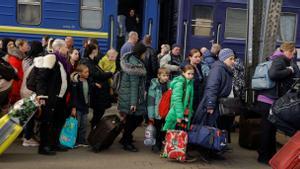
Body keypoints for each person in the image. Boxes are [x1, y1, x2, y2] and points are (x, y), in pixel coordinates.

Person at [256, 42, 300, 164]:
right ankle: (264, 157)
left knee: (269, 129)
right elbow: (273, 74)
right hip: (269, 100)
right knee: (268, 129)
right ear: (287, 51)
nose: (292, 56)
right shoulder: (280, 60)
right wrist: (290, 70)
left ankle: (269, 156)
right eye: (292, 53)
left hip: (265, 99)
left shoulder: (274, 58)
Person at [194, 48, 235, 161]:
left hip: (218, 103)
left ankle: (213, 151)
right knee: (209, 128)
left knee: (215, 128)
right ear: (224, 59)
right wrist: (210, 105)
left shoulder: (225, 69)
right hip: (213, 103)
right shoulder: (218, 69)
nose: (233, 61)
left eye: (233, 58)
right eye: (231, 59)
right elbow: (212, 87)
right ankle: (205, 152)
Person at [30, 39, 69, 155]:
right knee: (47, 122)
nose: (67, 50)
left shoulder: (61, 61)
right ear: (59, 48)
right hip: (49, 97)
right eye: (66, 47)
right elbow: (42, 79)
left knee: (58, 121)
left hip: (59, 97)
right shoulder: (50, 59)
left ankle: (54, 143)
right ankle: (44, 147)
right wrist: (42, 96)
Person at [118, 42, 147, 152]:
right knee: (135, 119)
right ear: (141, 53)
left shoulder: (130, 59)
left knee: (131, 119)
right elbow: (134, 86)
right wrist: (133, 104)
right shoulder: (135, 66)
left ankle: (126, 137)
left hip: (127, 95)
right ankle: (126, 142)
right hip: (131, 97)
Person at [80, 44, 113, 128]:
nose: (98, 51)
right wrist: (110, 73)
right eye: (97, 49)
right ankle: (94, 125)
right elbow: (97, 74)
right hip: (95, 91)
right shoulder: (87, 61)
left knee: (99, 110)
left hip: (99, 91)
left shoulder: (93, 60)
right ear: (93, 51)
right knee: (99, 110)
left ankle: (94, 124)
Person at [147, 67, 170, 153]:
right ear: (158, 76)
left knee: (164, 129)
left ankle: (162, 143)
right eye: (164, 75)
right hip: (157, 113)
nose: (166, 77)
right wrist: (151, 115)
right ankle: (156, 144)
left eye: (167, 75)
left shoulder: (170, 85)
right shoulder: (154, 86)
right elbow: (150, 102)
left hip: (166, 112)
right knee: (156, 129)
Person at [70, 64, 90, 147]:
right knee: (76, 125)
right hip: (78, 107)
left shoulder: (87, 81)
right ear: (80, 73)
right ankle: (74, 141)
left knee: (84, 124)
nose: (88, 73)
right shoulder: (76, 83)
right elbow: (74, 96)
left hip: (85, 107)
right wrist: (73, 108)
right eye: (86, 72)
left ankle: (82, 140)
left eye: (88, 72)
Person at [7, 39, 30, 104]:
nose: (28, 46)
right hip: (14, 90)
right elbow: (13, 76)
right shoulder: (14, 58)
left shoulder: (20, 57)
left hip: (18, 88)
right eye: (26, 45)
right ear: (20, 46)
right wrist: (15, 92)